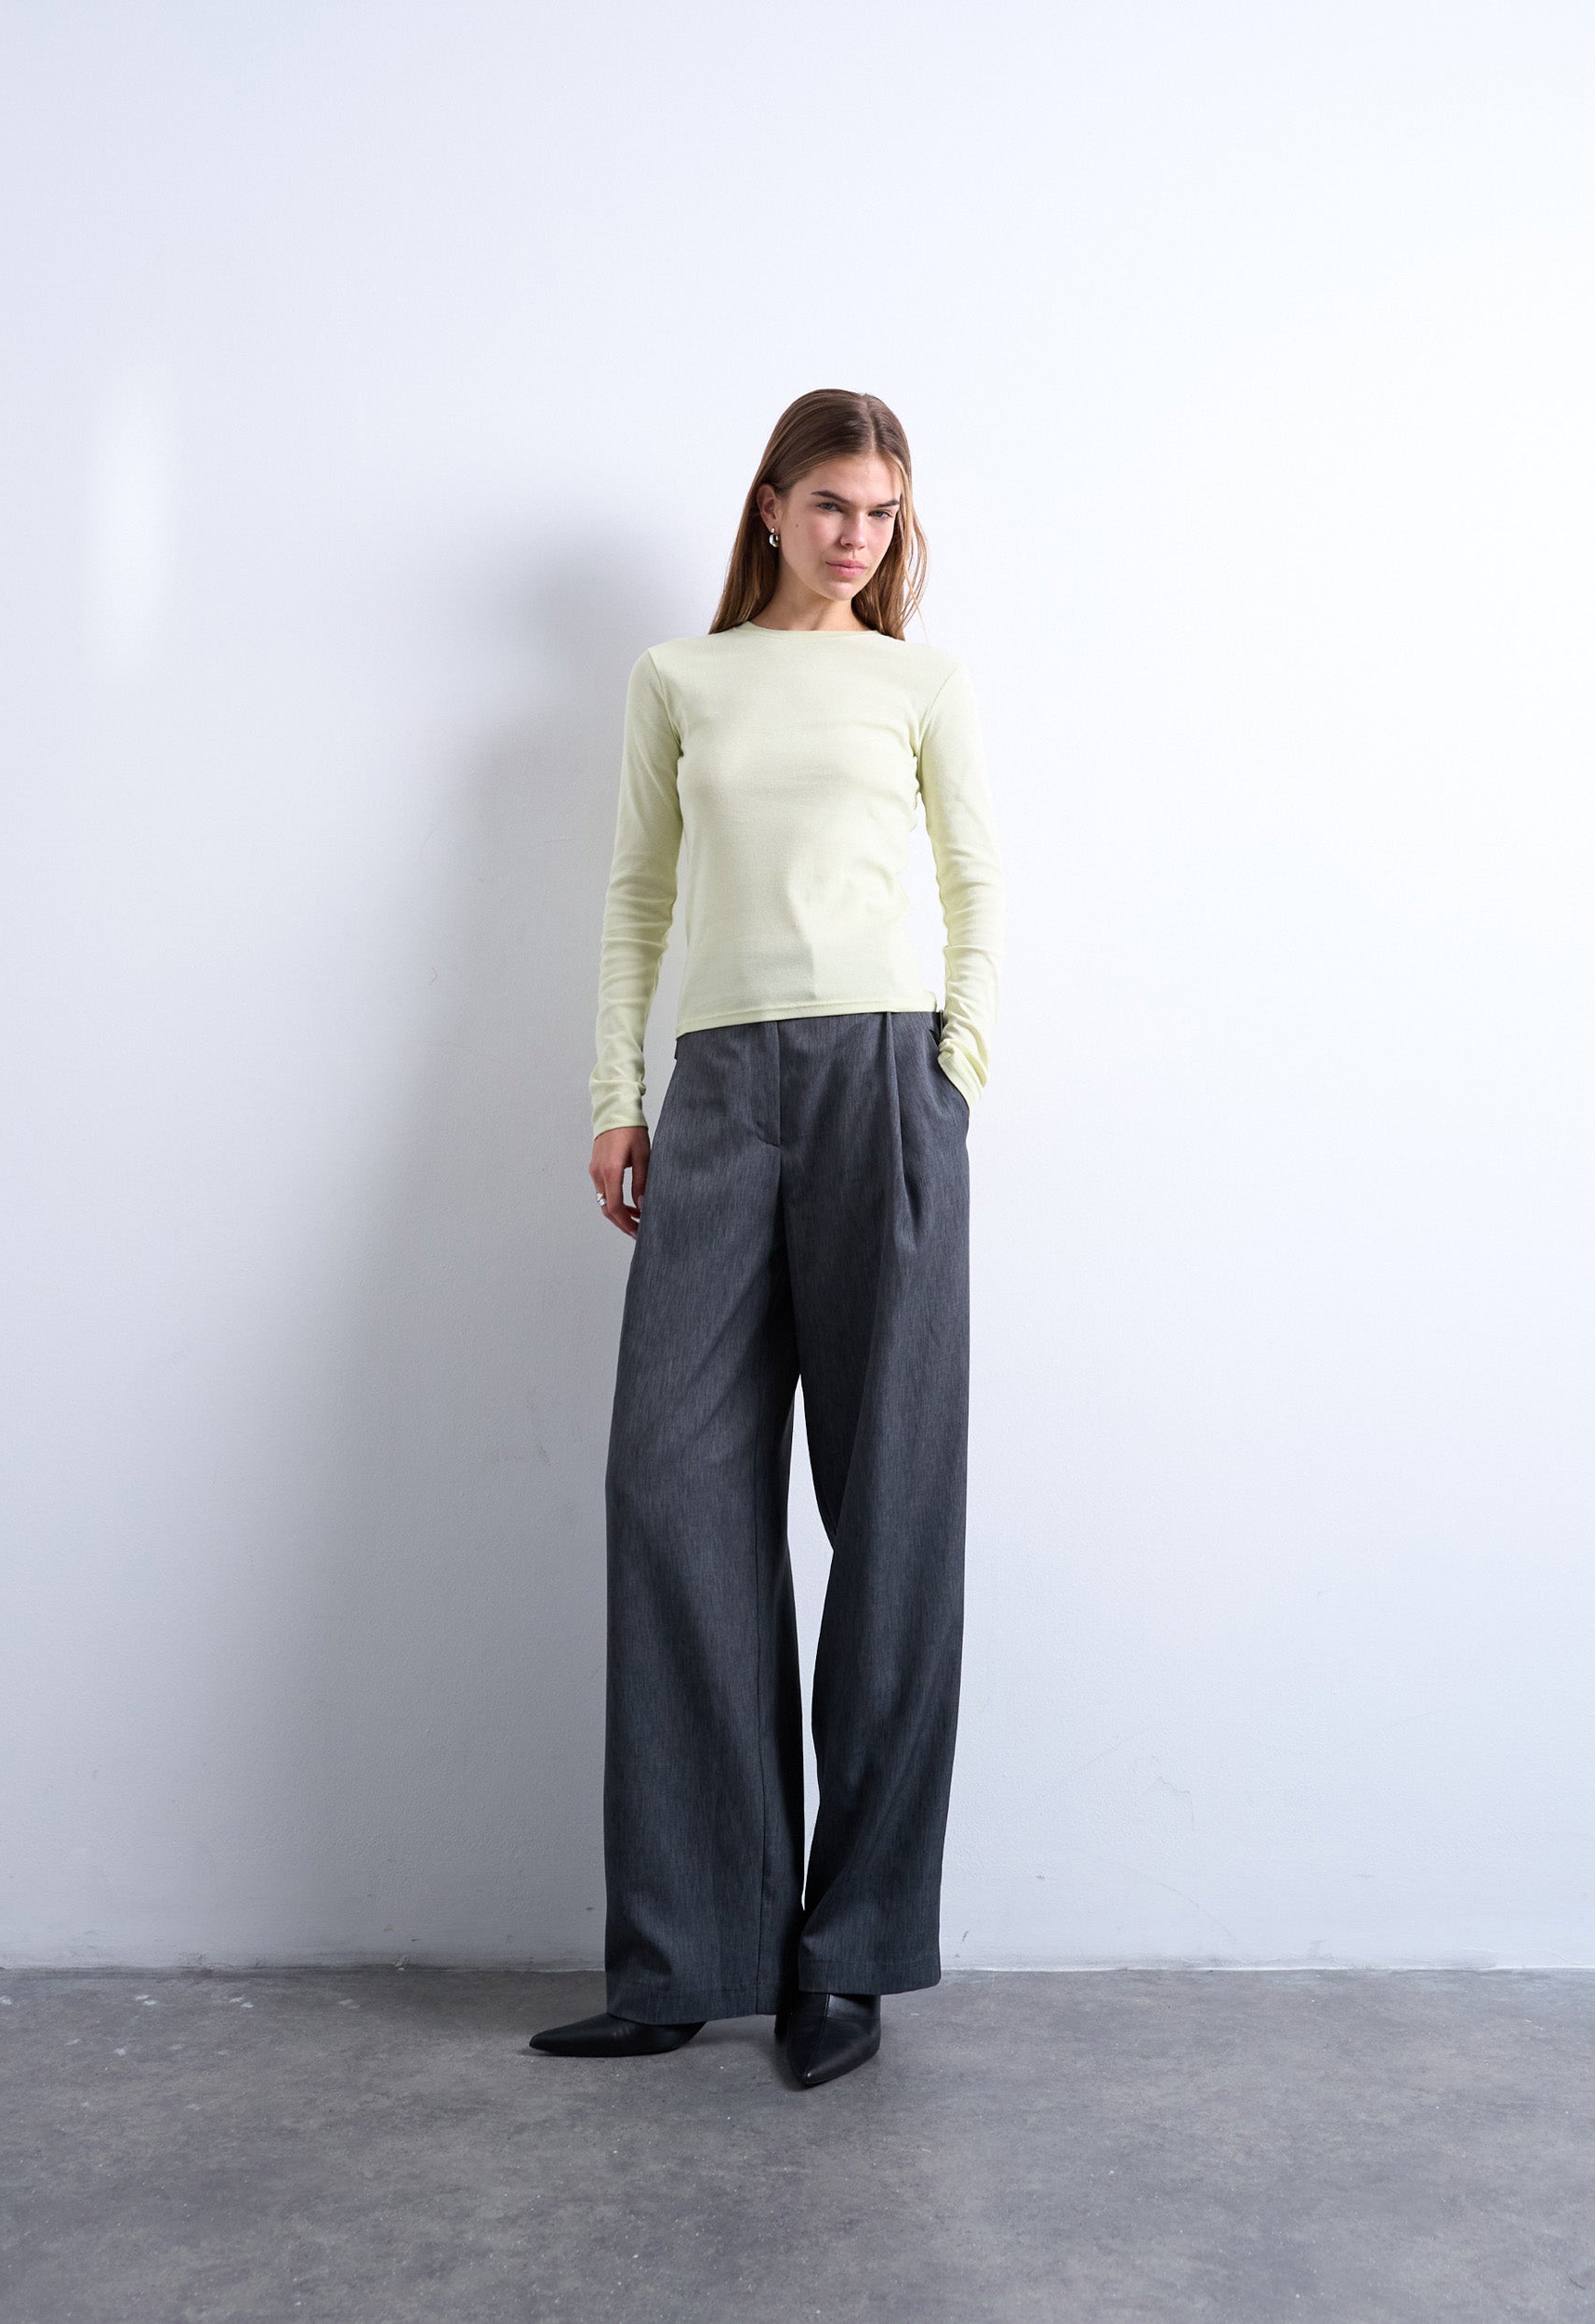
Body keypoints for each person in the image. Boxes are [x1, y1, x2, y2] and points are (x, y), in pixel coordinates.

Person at [531, 389, 1004, 2089]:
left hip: (885, 1080)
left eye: (882, 510)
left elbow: (976, 884)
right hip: (723, 1094)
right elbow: (637, 898)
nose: (856, 536)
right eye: (830, 505)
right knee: (671, 1489)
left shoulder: (921, 685)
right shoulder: (683, 678)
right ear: (772, 506)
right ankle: (689, 1953)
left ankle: (849, 1958)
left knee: (891, 1515)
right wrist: (618, 1091)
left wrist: (953, 1070)